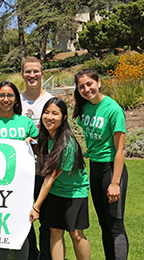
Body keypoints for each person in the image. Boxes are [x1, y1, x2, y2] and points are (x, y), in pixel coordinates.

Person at [0, 80, 38, 260]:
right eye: (2, 95)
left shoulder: (26, 122)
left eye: (10, 95)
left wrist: (31, 142)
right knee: (0, 228)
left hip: (22, 186)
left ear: (16, 99)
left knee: (22, 228)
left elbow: (38, 145)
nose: (6, 99)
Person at [73, 68, 129, 260]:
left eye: (89, 84)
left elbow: (120, 149)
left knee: (115, 224)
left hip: (111, 169)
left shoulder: (113, 109)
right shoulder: (85, 107)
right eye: (81, 86)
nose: (86, 89)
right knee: (104, 223)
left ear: (99, 82)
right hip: (95, 168)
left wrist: (115, 182)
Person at [29, 97, 90, 260]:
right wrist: (32, 144)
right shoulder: (46, 136)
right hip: (56, 191)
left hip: (73, 193)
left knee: (76, 234)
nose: (49, 117)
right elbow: (44, 155)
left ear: (64, 117)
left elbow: (50, 177)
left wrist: (36, 207)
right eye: (46, 113)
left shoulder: (67, 144)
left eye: (55, 113)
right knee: (55, 231)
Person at [20, 56, 53, 260]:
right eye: (27, 71)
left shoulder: (49, 100)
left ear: (42, 73)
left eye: (35, 71)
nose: (32, 75)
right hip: (22, 170)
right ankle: (31, 254)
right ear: (22, 74)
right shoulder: (16, 101)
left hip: (45, 167)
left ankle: (47, 255)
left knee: (47, 215)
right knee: (24, 214)